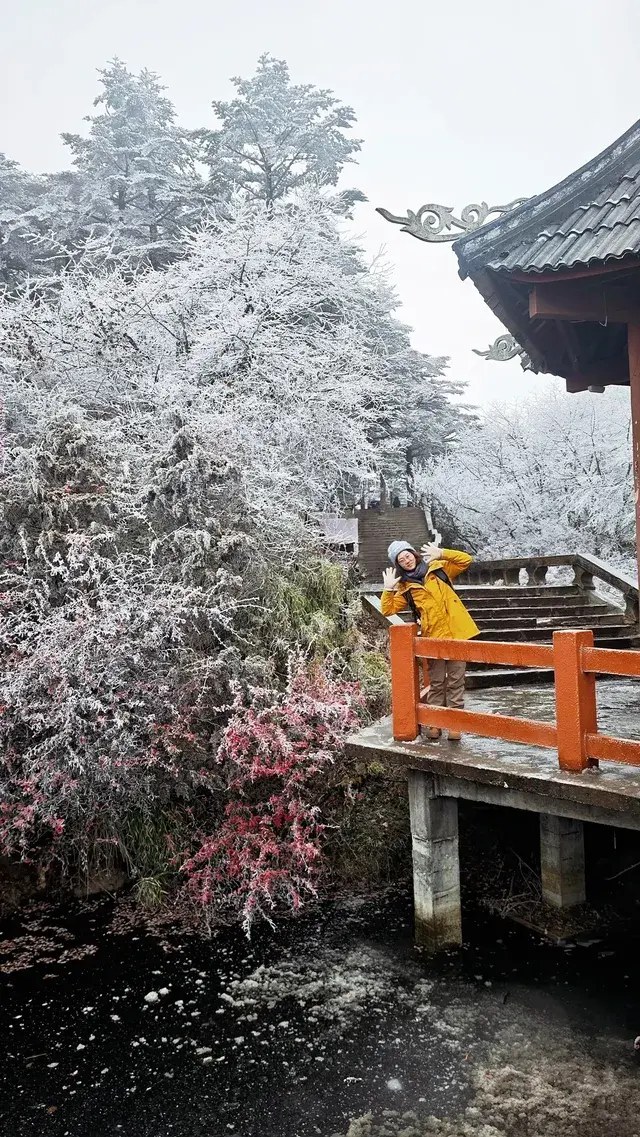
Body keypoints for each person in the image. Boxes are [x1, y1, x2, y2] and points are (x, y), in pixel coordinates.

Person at [381, 541, 479, 741]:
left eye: (407, 555)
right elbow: (387, 609)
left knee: (456, 682)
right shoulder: (406, 588)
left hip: (456, 635)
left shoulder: (439, 570)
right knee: (436, 683)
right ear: (399, 565)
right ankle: (435, 724)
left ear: (413, 554)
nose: (406, 560)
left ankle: (454, 724)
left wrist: (442, 553)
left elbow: (466, 560)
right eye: (401, 560)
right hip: (432, 638)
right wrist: (388, 589)